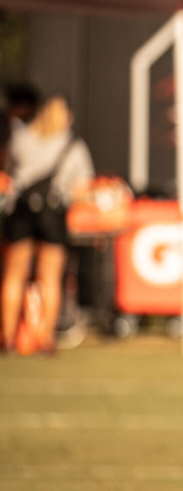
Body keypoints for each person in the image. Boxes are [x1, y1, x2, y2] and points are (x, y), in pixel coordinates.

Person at [2, 93, 94, 353]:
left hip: (19, 212)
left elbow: (10, 174)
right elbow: (81, 189)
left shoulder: (21, 139)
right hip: (52, 213)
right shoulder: (73, 145)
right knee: (50, 278)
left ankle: (8, 339)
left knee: (13, 276)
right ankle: (45, 340)